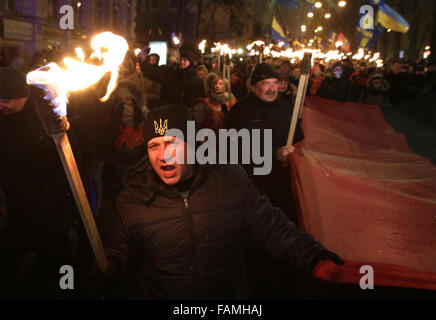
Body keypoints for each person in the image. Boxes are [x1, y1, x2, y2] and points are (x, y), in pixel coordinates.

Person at [98, 104, 344, 299]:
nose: (163, 155)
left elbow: (274, 229)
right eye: (154, 146)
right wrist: (110, 265)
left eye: (173, 142)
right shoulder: (133, 198)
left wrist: (315, 257)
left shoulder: (228, 180)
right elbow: (120, 251)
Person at [0, 67, 86, 298]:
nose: (1, 105)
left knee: (56, 259)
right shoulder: (5, 120)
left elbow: (72, 159)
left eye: (6, 100)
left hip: (50, 206)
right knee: (10, 257)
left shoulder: (47, 116)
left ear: (23, 96)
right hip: (17, 206)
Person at [139, 49, 205, 106]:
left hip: (188, 113)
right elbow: (154, 74)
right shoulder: (172, 73)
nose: (182, 62)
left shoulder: (194, 78)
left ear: (190, 62)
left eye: (185, 60)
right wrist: (143, 60)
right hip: (170, 110)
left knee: (190, 121)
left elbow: (197, 99)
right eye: (181, 59)